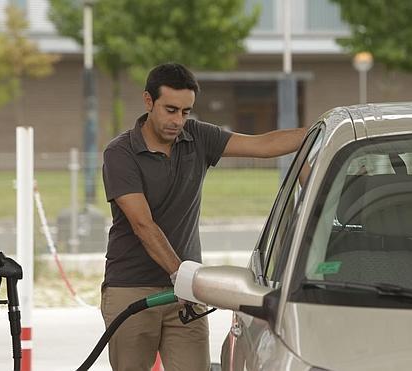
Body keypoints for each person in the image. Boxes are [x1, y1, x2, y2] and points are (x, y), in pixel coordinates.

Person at [100, 63, 307, 371]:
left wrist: (320, 131)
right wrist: (182, 276)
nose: (178, 121)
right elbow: (143, 225)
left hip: (186, 290)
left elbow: (262, 145)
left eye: (185, 112)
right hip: (131, 288)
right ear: (148, 101)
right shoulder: (121, 153)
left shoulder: (197, 137)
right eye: (170, 110)